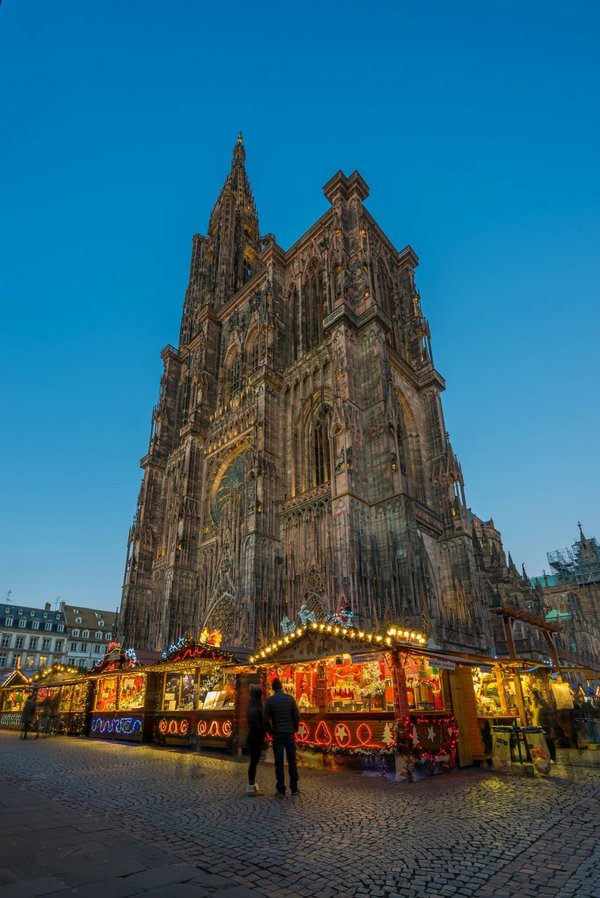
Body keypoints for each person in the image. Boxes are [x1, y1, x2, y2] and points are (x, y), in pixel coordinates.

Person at [263, 677, 300, 799]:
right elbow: (296, 716)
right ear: (282, 687)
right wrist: (294, 729)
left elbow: (265, 719)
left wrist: (271, 731)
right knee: (292, 761)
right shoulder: (290, 699)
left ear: (273, 688)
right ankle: (294, 787)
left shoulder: (270, 701)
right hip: (289, 733)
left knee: (279, 762)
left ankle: (281, 789)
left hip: (278, 734)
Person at [246, 685, 266, 796]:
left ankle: (252, 786)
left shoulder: (250, 706)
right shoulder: (257, 708)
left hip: (251, 737)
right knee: (254, 762)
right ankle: (251, 787)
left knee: (253, 762)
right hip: (255, 738)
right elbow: (257, 725)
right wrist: (264, 731)